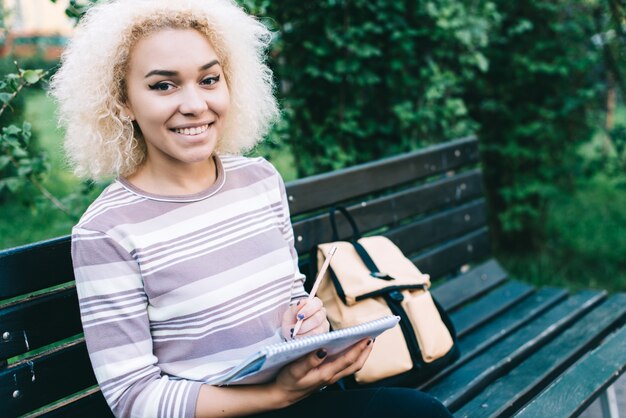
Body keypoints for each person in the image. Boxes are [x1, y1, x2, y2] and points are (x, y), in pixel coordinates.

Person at [51, 1, 453, 417]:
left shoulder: (259, 179)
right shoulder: (106, 231)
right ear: (123, 101)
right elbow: (134, 397)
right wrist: (276, 396)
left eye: (209, 79)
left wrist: (307, 322)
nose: (194, 104)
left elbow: (291, 300)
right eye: (163, 86)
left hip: (301, 397)